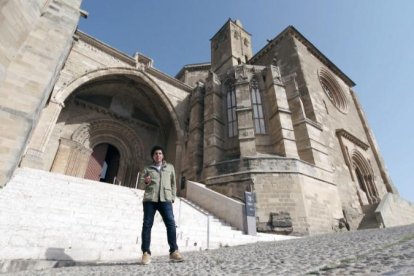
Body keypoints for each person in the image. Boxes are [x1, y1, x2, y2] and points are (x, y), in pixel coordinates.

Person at [139, 145, 184, 265]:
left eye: (160, 153)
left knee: (170, 224)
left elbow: (173, 183)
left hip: (165, 200)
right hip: (150, 200)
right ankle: (146, 253)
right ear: (153, 156)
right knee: (147, 225)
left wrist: (172, 197)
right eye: (155, 154)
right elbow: (141, 184)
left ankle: (174, 251)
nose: (158, 155)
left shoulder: (170, 167)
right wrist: (145, 182)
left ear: (163, 155)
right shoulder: (148, 169)